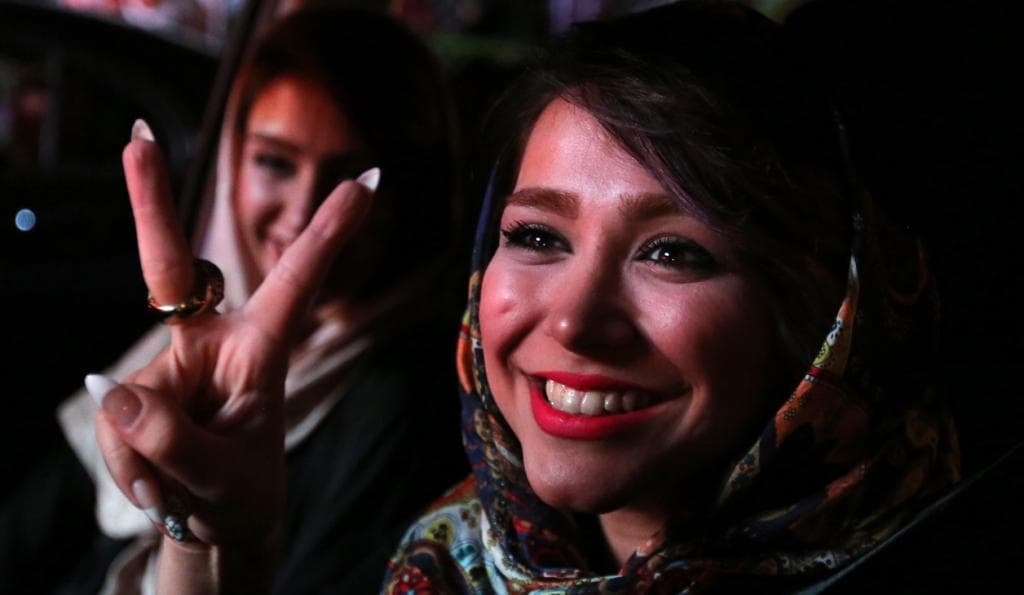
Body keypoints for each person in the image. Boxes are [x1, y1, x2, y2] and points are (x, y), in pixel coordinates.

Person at [90, 2, 960, 593]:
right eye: (538, 236)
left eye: (673, 251)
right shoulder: (453, 555)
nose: (576, 321)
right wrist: (221, 546)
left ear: (823, 319)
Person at [1, 7, 466, 594]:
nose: (301, 215)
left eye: (349, 181)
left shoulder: (403, 400)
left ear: (409, 193)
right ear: (230, 163)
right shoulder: (192, 330)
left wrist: (217, 544)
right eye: (275, 162)